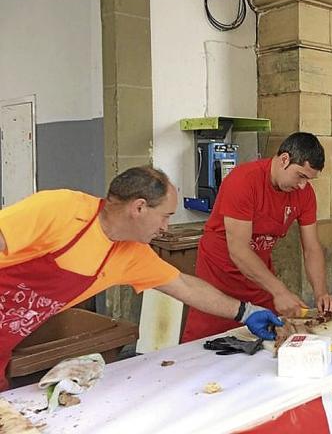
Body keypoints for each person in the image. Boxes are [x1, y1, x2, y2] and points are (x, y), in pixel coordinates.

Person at [0, 166, 282, 390]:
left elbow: (184, 286)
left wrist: (246, 312)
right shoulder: (61, 209)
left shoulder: (131, 254)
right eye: (165, 216)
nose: (166, 227)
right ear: (139, 207)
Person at [181, 132, 332, 342]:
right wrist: (280, 291)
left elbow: (311, 248)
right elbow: (239, 250)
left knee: (265, 340)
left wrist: (322, 293)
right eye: (300, 176)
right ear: (284, 159)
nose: (303, 185)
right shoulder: (243, 181)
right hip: (219, 279)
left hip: (259, 280)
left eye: (309, 179)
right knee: (208, 345)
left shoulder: (305, 194)